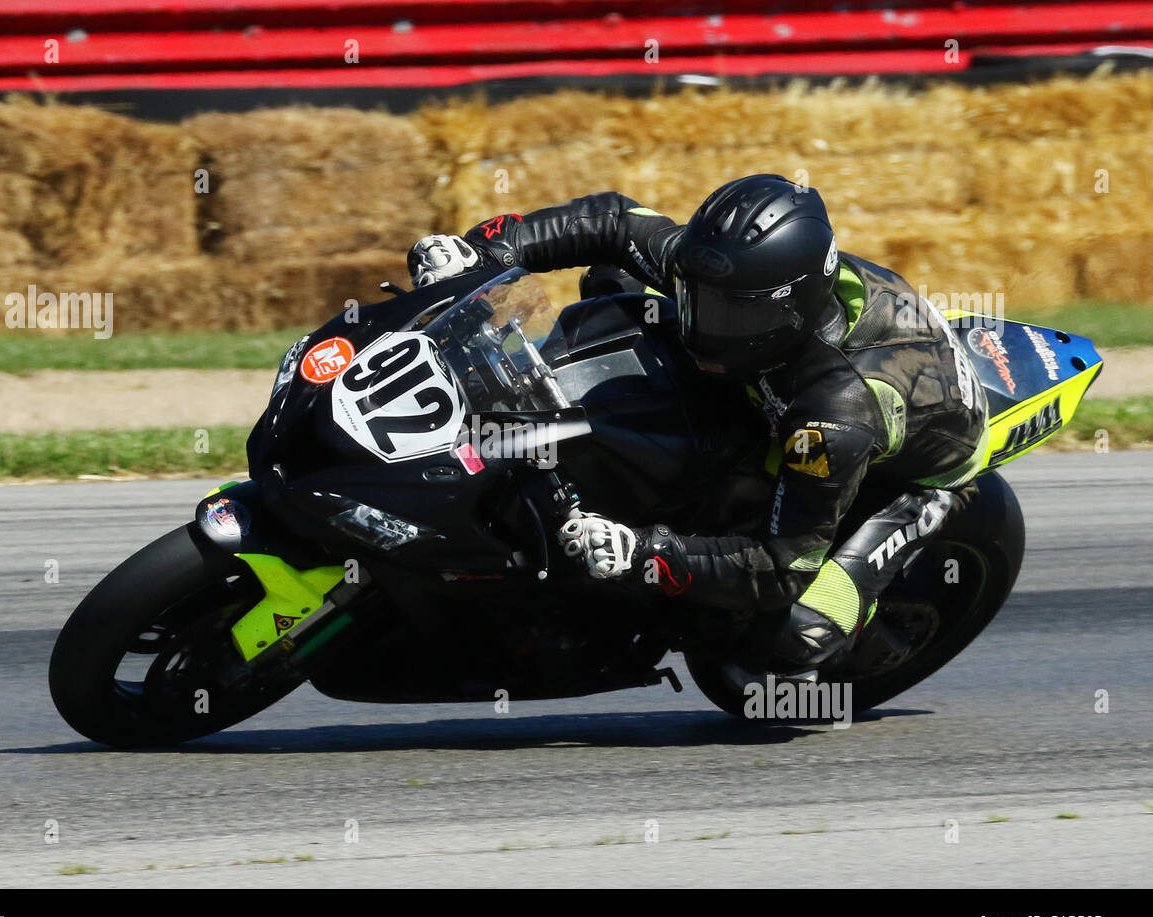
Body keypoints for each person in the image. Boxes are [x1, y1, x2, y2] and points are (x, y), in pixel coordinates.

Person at [408, 174, 988, 675]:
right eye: (696, 295)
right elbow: (613, 220)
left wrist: (644, 551)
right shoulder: (726, 279)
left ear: (791, 310)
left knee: (796, 633)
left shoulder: (835, 415)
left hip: (919, 476)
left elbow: (782, 565)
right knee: (612, 278)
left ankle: (852, 636)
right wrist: (484, 252)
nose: (702, 322)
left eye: (730, 313)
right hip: (782, 383)